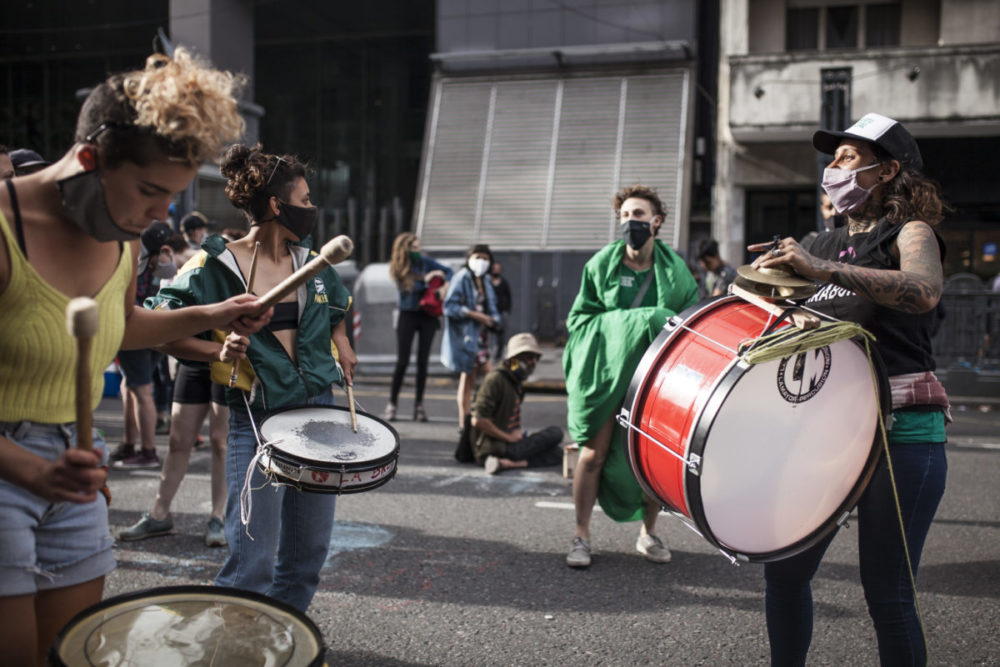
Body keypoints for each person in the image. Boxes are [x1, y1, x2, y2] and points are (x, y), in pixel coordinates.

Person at [0, 49, 266, 667]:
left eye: (171, 198)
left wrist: (212, 314)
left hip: (73, 464)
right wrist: (33, 472)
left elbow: (124, 327)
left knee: (70, 654)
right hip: (9, 461)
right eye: (150, 191)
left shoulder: (119, 233)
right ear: (90, 158)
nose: (160, 216)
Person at [748, 112, 949, 666]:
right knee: (785, 574)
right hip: (824, 435)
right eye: (832, 158)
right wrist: (764, 298)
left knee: (888, 596)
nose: (832, 169)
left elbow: (924, 291)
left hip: (901, 434)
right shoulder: (819, 240)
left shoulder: (909, 234)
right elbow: (772, 319)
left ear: (886, 171)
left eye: (847, 158)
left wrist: (819, 270)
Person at [148, 143, 356, 613]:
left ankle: (283, 643)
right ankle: (237, 650)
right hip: (256, 420)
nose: (312, 209)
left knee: (306, 559)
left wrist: (341, 340)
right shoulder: (213, 265)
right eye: (305, 200)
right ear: (278, 206)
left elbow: (339, 307)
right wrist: (214, 349)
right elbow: (160, 329)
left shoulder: (312, 264)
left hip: (318, 414)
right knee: (252, 565)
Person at [563, 184, 699, 568]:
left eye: (638, 216)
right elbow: (579, 322)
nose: (630, 223)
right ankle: (581, 535)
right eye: (624, 216)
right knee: (593, 454)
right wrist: (646, 319)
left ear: (656, 222)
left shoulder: (677, 273)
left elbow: (688, 324)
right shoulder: (600, 266)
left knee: (652, 458)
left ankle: (649, 532)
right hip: (607, 376)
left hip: (654, 380)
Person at [111, 221, 178, 468]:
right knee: (131, 386)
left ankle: (148, 450)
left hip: (135, 330)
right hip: (155, 329)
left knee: (141, 390)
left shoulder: (136, 260)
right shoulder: (154, 261)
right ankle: (129, 444)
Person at [471, 332, 563, 475]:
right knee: (555, 433)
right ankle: (498, 458)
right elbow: (478, 420)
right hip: (496, 446)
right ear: (514, 358)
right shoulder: (496, 379)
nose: (533, 362)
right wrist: (508, 437)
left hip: (510, 443)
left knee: (559, 453)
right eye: (528, 358)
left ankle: (508, 464)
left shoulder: (515, 379)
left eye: (535, 358)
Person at [384, 232, 452, 422]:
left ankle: (419, 405)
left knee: (423, 362)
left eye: (418, 247)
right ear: (404, 248)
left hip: (427, 316)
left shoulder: (425, 262)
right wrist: (427, 280)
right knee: (403, 361)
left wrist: (444, 286)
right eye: (413, 247)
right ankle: (392, 403)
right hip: (408, 314)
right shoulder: (398, 267)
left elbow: (449, 271)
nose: (417, 251)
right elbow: (408, 288)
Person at [442, 244, 501, 430]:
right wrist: (477, 315)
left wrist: (493, 320)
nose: (481, 262)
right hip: (467, 338)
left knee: (484, 380)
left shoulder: (485, 281)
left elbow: (492, 307)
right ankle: (465, 423)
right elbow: (449, 307)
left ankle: (474, 420)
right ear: (468, 259)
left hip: (481, 337)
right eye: (477, 257)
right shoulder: (461, 278)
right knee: (472, 379)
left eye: (485, 258)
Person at [490, 261, 512, 361]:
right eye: (495, 268)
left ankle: (499, 355)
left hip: (502, 312)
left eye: (498, 269)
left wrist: (507, 310)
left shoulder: (504, 282)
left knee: (501, 335)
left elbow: (509, 296)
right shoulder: (487, 282)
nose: (496, 271)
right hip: (490, 313)